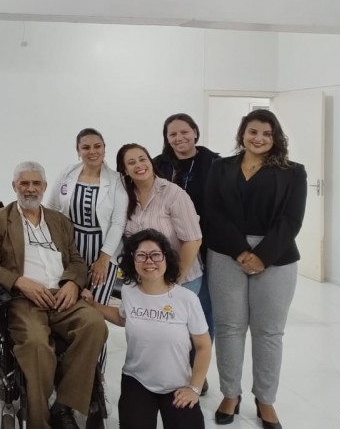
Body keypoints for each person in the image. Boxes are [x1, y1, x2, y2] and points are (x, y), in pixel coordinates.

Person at [0, 161, 107, 429]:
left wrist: (72, 283)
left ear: (45, 187)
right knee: (37, 345)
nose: (30, 189)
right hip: (24, 299)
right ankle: (39, 421)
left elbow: (75, 260)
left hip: (62, 295)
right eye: (24, 183)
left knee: (95, 325)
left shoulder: (59, 221)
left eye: (36, 183)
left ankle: (64, 404)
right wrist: (20, 282)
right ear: (14, 186)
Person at [205, 109, 306, 429]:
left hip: (276, 256)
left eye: (266, 133)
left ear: (275, 137)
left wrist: (262, 255)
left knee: (269, 331)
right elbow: (212, 212)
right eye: (252, 132)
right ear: (242, 134)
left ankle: (266, 400)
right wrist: (239, 250)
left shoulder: (293, 172)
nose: (259, 138)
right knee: (229, 326)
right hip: (225, 252)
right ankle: (230, 394)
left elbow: (291, 219)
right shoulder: (220, 167)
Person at [86, 229, 211, 429]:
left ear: (166, 258)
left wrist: (194, 388)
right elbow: (122, 318)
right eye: (141, 256)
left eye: (155, 255)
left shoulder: (186, 299)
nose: (149, 261)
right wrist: (94, 305)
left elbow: (203, 346)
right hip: (137, 381)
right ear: (133, 261)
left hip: (177, 385)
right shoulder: (129, 291)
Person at [45, 128, 127, 378]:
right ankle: (66, 363)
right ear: (78, 150)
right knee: (69, 305)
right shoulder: (67, 174)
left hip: (103, 251)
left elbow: (118, 223)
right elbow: (52, 208)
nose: (92, 152)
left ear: (104, 148)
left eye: (97, 146)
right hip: (71, 248)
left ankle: (94, 370)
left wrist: (103, 259)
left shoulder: (116, 180)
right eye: (86, 147)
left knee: (95, 310)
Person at [153, 114, 219, 339]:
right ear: (166, 138)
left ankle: (199, 364)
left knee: (203, 306)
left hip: (206, 244)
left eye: (184, 132)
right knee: (170, 306)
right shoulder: (158, 164)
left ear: (195, 133)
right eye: (173, 134)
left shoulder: (215, 163)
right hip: (169, 245)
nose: (179, 138)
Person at [115, 144, 203, 292]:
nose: (139, 165)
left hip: (181, 280)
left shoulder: (173, 194)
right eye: (131, 162)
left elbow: (193, 240)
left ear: (151, 162)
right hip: (146, 280)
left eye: (143, 159)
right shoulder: (123, 197)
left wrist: (173, 280)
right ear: (125, 170)